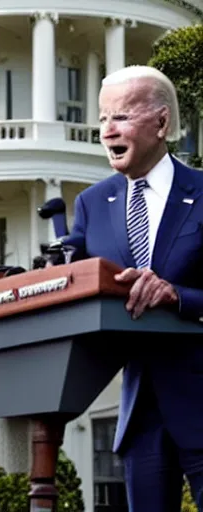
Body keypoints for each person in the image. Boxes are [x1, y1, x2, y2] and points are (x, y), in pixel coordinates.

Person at [68, 65, 203, 510]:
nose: (108, 131)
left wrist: (177, 296)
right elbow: (75, 276)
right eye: (103, 119)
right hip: (140, 414)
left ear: (161, 123)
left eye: (121, 117)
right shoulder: (90, 205)